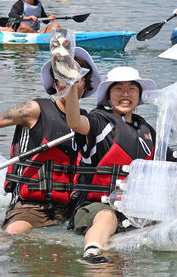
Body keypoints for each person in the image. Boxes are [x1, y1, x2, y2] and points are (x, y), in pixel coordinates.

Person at [0, 48, 101, 235]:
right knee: (14, 236)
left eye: (77, 78)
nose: (70, 83)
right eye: (64, 77)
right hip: (31, 207)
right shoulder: (34, 109)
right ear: (55, 83)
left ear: (85, 85)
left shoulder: (87, 122)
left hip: (71, 206)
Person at [65, 66, 158, 264]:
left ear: (139, 94)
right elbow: (74, 122)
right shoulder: (98, 121)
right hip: (96, 206)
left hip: (134, 209)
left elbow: (172, 163)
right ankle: (92, 254)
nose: (125, 94)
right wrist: (73, 86)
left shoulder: (147, 130)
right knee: (107, 216)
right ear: (108, 95)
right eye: (119, 89)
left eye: (132, 89)